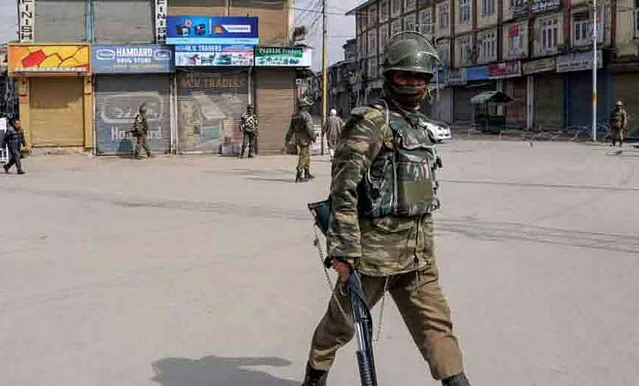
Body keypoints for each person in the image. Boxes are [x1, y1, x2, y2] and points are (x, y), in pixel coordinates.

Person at [300, 31, 471, 386]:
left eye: (419, 77)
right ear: (389, 76)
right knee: (341, 325)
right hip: (372, 256)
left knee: (438, 327)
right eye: (404, 76)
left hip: (418, 255)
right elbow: (343, 188)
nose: (412, 84)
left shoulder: (418, 126)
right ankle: (314, 378)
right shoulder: (370, 122)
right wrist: (344, 251)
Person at [286, 97, 317, 183]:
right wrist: (313, 137)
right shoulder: (306, 115)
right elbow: (309, 128)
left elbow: (290, 129)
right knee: (303, 156)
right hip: (305, 138)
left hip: (298, 137)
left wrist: (287, 138)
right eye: (307, 106)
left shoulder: (295, 116)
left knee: (306, 155)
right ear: (304, 107)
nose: (308, 107)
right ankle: (298, 176)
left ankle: (307, 173)